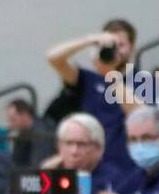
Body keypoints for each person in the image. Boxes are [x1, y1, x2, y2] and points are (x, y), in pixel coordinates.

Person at [45, 19, 146, 176]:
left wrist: (110, 75)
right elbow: (53, 58)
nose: (115, 51)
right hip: (87, 166)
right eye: (111, 45)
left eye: (120, 45)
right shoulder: (87, 79)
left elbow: (141, 116)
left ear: (132, 48)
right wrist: (89, 40)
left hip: (124, 168)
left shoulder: (140, 81)